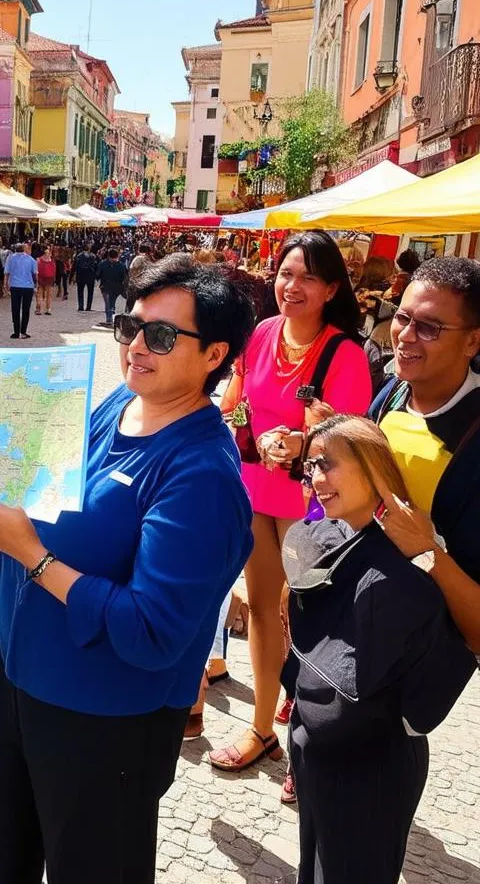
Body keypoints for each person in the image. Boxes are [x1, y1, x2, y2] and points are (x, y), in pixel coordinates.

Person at [0, 255, 256, 884]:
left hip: (101, 721)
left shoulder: (202, 473)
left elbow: (151, 632)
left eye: (163, 336)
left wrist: (31, 554)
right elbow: (49, 500)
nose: (137, 346)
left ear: (214, 354)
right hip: (9, 673)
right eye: (129, 326)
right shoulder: (117, 405)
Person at [283, 415, 475, 884]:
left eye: (327, 464)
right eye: (310, 466)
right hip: (315, 747)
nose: (315, 478)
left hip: (368, 771)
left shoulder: (411, 575)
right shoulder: (331, 534)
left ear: (372, 468)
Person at [210, 230, 372, 774]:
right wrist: (240, 428)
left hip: (314, 504)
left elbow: (353, 440)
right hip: (257, 489)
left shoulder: (345, 353)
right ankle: (262, 728)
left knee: (310, 621)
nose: (291, 285)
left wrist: (309, 440)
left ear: (330, 288)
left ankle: (310, 739)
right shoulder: (260, 335)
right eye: (285, 273)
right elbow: (240, 407)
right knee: (260, 608)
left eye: (307, 277)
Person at [368, 256, 480, 654]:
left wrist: (427, 550)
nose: (405, 336)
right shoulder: (390, 395)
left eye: (429, 327)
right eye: (402, 317)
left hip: (416, 660)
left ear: (473, 340)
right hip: (350, 620)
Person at [4, 243, 37, 340]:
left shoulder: (10, 258)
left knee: (15, 309)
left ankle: (16, 332)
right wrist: (35, 286)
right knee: (26, 310)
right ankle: (23, 332)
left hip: (15, 286)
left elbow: (6, 273)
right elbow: (35, 274)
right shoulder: (31, 259)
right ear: (24, 250)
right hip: (28, 286)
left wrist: (5, 285)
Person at [97, 247, 127, 327]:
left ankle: (109, 319)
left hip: (105, 286)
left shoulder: (102, 264)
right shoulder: (122, 266)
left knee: (108, 303)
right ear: (117, 256)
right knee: (112, 302)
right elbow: (125, 277)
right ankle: (111, 316)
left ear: (108, 256)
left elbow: (97, 275)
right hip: (117, 287)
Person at [74, 242, 98, 312]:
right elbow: (96, 266)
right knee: (90, 292)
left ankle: (81, 306)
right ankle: (88, 306)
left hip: (81, 276)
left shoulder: (78, 256)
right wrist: (96, 276)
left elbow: (75, 266)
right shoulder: (93, 256)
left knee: (80, 291)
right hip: (90, 276)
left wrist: (72, 277)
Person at [35, 246, 57, 316]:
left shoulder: (38, 260)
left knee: (39, 294)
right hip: (49, 279)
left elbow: (36, 271)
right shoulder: (52, 260)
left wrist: (36, 279)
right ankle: (48, 309)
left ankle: (38, 309)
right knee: (48, 294)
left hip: (41, 278)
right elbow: (54, 270)